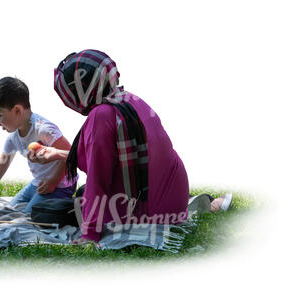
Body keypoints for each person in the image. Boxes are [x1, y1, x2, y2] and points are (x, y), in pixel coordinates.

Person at [32, 49, 190, 244]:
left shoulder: (101, 117)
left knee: (46, 212)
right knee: (82, 195)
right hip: (175, 198)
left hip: (149, 213)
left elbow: (98, 180)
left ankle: (94, 220)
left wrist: (89, 234)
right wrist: (57, 154)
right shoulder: (128, 99)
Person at [0, 77, 76, 213]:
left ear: (17, 110)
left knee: (30, 216)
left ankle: (70, 203)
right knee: (10, 210)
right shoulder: (14, 138)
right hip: (37, 184)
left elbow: (71, 155)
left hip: (61, 185)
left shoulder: (43, 129)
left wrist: (54, 180)